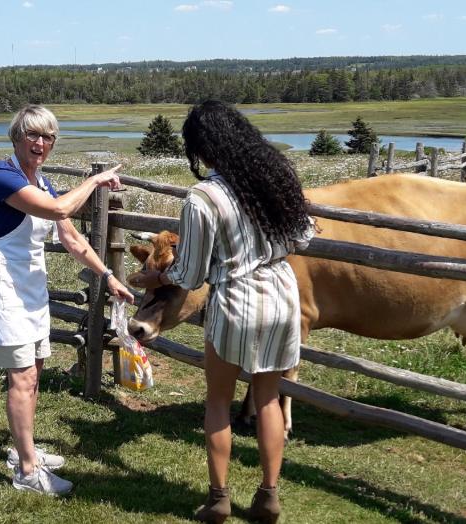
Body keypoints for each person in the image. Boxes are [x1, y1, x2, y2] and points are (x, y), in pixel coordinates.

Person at [128, 100, 315, 524]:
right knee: (269, 398)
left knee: (218, 401)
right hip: (282, 294)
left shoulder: (204, 197)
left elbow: (190, 274)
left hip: (235, 299)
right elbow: (303, 237)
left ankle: (218, 499)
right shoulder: (276, 176)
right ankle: (268, 496)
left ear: (202, 148)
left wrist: (153, 280)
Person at [0, 104, 135, 496]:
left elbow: (73, 239)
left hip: (30, 286)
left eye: (48, 137)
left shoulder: (41, 181)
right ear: (17, 137)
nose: (41, 143)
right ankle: (28, 471)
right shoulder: (2, 176)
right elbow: (61, 208)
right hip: (2, 287)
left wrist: (108, 275)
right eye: (33, 134)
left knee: (35, 371)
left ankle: (22, 449)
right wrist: (95, 181)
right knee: (22, 376)